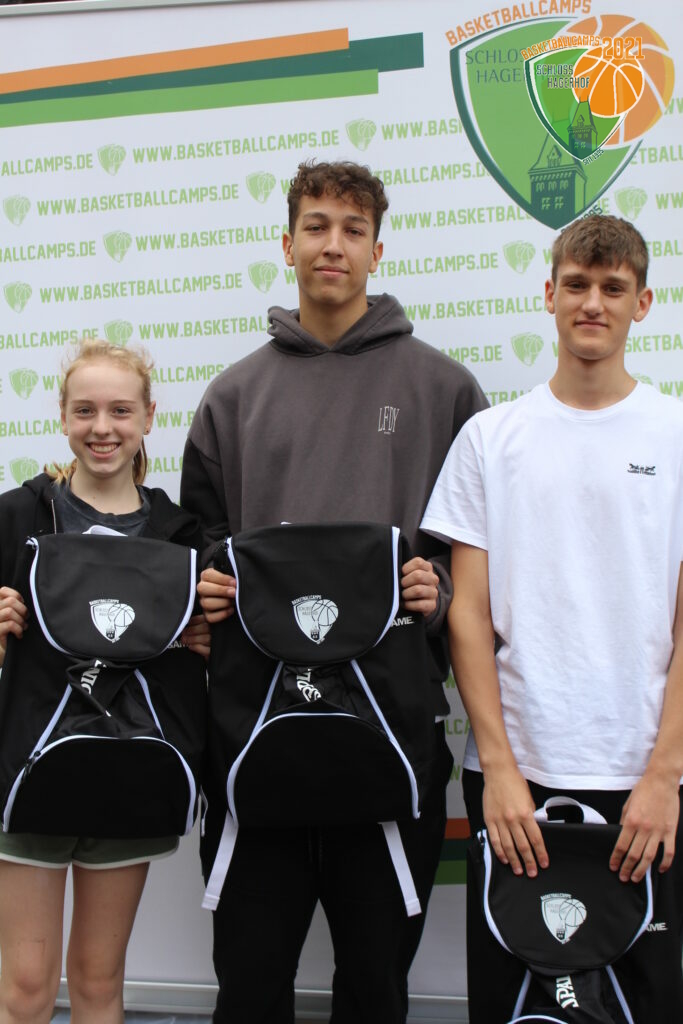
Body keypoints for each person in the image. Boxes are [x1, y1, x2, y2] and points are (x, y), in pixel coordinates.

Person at [179, 159, 487, 1024]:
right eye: (315, 226)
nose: (332, 245)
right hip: (257, 734)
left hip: (389, 735)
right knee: (249, 990)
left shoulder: (443, 389)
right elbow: (201, 539)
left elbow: (477, 553)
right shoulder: (232, 397)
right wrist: (207, 588)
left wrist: (439, 585)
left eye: (353, 230)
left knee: (375, 991)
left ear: (376, 252)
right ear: (287, 244)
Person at [421, 214, 683, 1023]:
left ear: (642, 303)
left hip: (642, 778)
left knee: (644, 1000)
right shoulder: (488, 438)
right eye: (576, 284)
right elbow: (466, 615)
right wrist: (498, 769)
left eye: (612, 288)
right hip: (518, 773)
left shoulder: (675, 434)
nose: (591, 303)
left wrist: (662, 775)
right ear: (548, 294)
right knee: (516, 1003)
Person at [0, 339, 209, 1024]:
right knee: (24, 990)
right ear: (62, 417)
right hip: (28, 772)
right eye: (85, 410)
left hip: (130, 774)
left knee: (98, 981)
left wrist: (203, 643)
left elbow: (202, 655)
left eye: (120, 410)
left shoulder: (181, 537)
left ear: (149, 417)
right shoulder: (17, 517)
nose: (102, 428)